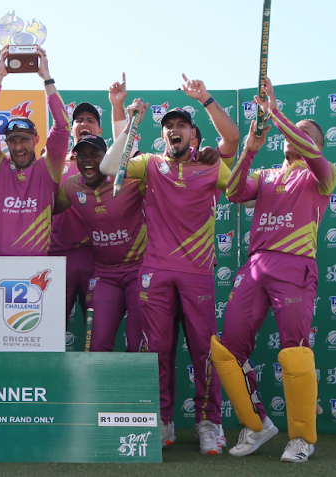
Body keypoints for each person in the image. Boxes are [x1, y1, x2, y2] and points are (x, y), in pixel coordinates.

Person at [214, 78, 336, 463]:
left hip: (294, 267)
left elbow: (304, 145)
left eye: (305, 133)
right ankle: (256, 424)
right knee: (227, 350)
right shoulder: (266, 176)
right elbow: (233, 192)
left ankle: (302, 438)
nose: (293, 135)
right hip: (255, 266)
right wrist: (250, 149)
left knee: (295, 353)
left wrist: (275, 112)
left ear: (316, 143)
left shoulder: (323, 174)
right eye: (291, 130)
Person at [101, 97, 232, 455]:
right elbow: (110, 166)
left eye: (181, 126)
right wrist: (130, 123)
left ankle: (209, 423)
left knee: (205, 350)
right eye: (168, 127)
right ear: (162, 136)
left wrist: (218, 149)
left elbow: (242, 187)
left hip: (197, 272)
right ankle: (161, 420)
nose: (174, 130)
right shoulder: (151, 164)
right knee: (156, 350)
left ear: (193, 134)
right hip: (155, 272)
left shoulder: (210, 166)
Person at [54, 125, 145, 353]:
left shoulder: (130, 181)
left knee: (137, 343)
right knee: (96, 345)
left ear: (107, 158)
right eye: (82, 155)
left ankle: (136, 390)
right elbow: (43, 210)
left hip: (139, 270)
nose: (87, 160)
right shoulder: (71, 187)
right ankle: (98, 390)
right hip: (105, 274)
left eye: (94, 154)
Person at [0, 45, 70, 258]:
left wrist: (46, 77)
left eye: (24, 140)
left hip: (38, 272)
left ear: (36, 139)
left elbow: (63, 125)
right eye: (12, 141)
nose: (18, 147)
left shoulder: (48, 168)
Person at [47, 101, 98, 333]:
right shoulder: (55, 162)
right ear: (72, 128)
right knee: (51, 329)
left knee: (98, 328)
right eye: (79, 120)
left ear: (99, 130)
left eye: (90, 120)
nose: (84, 124)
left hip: (96, 257)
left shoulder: (108, 165)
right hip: (58, 255)